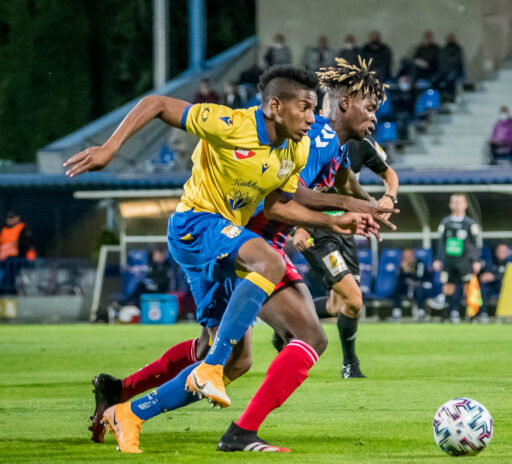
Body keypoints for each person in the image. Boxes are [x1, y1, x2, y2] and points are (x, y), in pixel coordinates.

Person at [65, 65, 381, 454]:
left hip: (229, 241)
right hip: (196, 226)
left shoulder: (296, 147)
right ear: (275, 106)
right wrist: (110, 148)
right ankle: (225, 399)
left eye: (314, 109)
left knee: (239, 360)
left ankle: (126, 408)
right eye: (305, 108)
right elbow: (157, 103)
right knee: (271, 276)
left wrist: (336, 218)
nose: (312, 119)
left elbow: (279, 204)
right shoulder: (231, 124)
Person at [293, 89, 399, 378]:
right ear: (340, 107)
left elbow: (355, 184)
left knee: (339, 303)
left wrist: (378, 204)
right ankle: (350, 364)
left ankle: (287, 319)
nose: (374, 117)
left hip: (343, 226)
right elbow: (294, 190)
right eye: (369, 109)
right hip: (317, 226)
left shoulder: (353, 145)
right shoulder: (318, 139)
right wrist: (300, 227)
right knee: (353, 298)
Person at [432, 194, 481, 324]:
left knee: (467, 287)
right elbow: (441, 242)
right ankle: (447, 314)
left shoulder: (470, 223)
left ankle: (470, 315)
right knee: (448, 286)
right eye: (455, 202)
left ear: (465, 205)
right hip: (449, 260)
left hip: (465, 260)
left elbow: (476, 243)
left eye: (460, 202)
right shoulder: (445, 222)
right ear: (451, 205)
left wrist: (476, 261)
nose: (457, 205)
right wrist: (438, 259)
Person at [478, 244, 510, 319]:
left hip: (503, 286)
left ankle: (507, 313)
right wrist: (484, 276)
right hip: (491, 286)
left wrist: (495, 277)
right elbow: (484, 275)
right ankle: (483, 313)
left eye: (503, 251)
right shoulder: (490, 262)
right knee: (482, 288)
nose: (501, 253)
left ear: (507, 253)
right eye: (499, 251)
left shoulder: (510, 264)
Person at [439, 32, 465, 101]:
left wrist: (448, 59)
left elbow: (456, 60)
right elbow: (441, 60)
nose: (450, 40)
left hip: (455, 70)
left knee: (451, 77)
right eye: (449, 38)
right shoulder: (444, 49)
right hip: (444, 70)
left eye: (451, 38)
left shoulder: (458, 49)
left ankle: (450, 96)